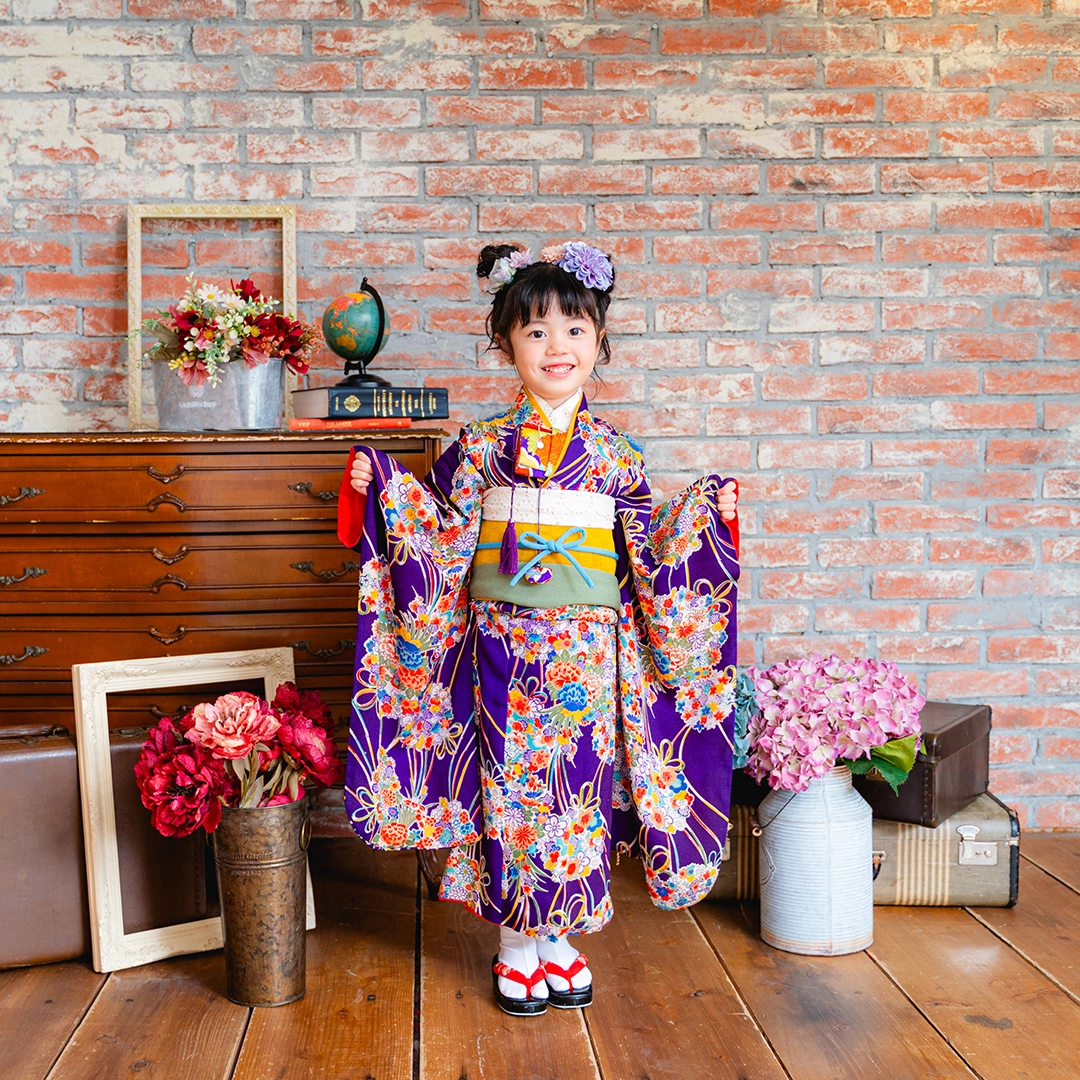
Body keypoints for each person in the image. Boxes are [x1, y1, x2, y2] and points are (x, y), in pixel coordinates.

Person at [337, 241, 740, 1017]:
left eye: (575, 330)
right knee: (512, 790)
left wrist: (707, 513)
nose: (557, 347)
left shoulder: (616, 455)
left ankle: (560, 937)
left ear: (600, 342)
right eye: (536, 331)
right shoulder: (480, 448)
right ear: (506, 343)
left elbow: (651, 551)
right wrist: (383, 484)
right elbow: (439, 532)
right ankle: (515, 943)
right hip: (503, 650)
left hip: (587, 652)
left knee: (577, 789)